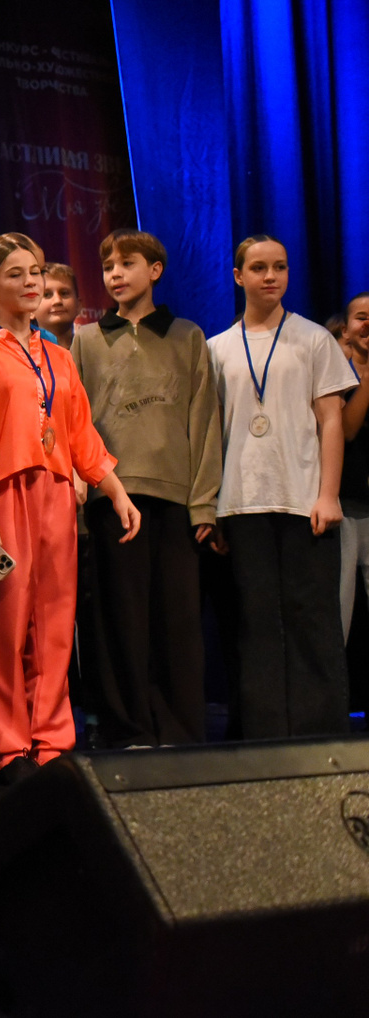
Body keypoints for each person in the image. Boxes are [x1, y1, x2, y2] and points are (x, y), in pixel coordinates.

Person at [0, 234, 140, 784]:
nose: (30, 282)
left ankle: (51, 741)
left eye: (36, 271)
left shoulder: (60, 357)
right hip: (4, 494)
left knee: (55, 621)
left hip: (58, 494)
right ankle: (9, 746)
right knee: (5, 620)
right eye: (15, 274)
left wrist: (115, 489)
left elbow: (80, 433)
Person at [72, 230, 221, 747]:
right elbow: (76, 422)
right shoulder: (87, 339)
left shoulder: (187, 336)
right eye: (108, 266)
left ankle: (179, 730)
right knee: (121, 618)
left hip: (175, 498)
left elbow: (204, 422)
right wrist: (85, 492)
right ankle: (127, 728)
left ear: (155, 270)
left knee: (176, 620)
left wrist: (203, 504)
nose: (115, 274)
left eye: (127, 263)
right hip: (112, 496)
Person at [207, 235, 354, 737]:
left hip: (303, 501)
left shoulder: (313, 339)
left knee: (312, 619)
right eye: (259, 268)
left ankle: (320, 734)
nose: (271, 276)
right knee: (254, 623)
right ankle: (262, 734)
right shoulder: (217, 348)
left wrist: (328, 494)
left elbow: (331, 421)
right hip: (241, 505)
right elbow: (212, 434)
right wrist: (213, 507)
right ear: (238, 276)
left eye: (280, 267)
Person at [335, 294, 369, 641]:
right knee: (339, 606)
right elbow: (346, 430)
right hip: (345, 506)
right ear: (345, 330)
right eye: (362, 317)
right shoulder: (336, 374)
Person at [37, 263, 80, 347]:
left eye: (64, 293)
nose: (57, 301)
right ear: (30, 311)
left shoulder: (90, 348)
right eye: (47, 295)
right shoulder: (21, 352)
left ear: (78, 305)